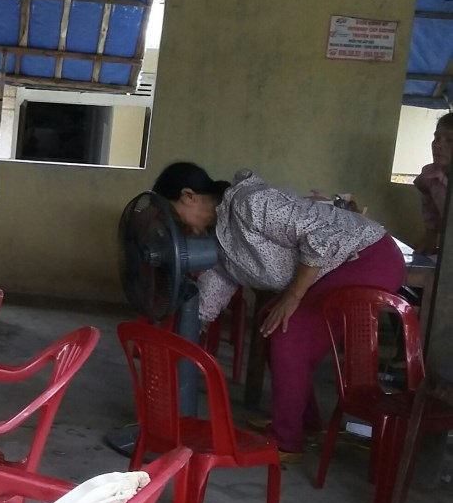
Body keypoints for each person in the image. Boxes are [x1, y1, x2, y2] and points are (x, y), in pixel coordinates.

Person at [153, 162, 406, 460]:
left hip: (367, 257)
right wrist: (189, 330)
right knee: (270, 322)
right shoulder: (218, 238)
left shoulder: (250, 203)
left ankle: (285, 440)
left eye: (173, 215)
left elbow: (321, 235)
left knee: (288, 331)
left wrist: (293, 296)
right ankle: (305, 422)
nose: (176, 228)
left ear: (188, 196)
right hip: (332, 268)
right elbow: (215, 286)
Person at [412, 113, 453, 255]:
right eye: (437, 138)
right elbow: (430, 212)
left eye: (450, 140)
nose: (438, 145)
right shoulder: (430, 176)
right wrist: (429, 242)